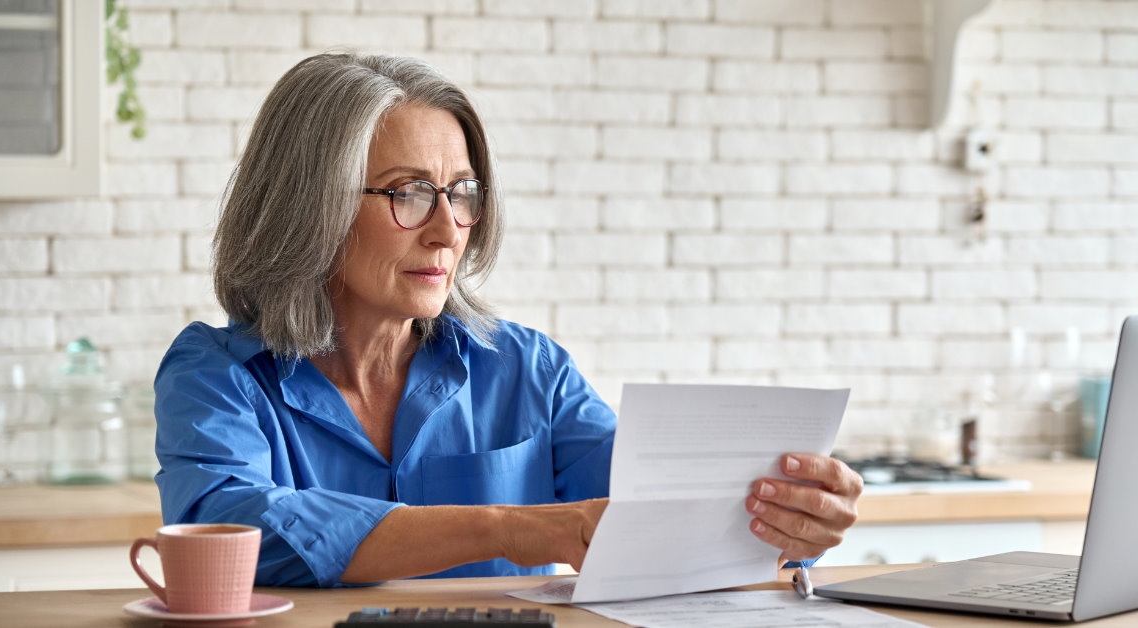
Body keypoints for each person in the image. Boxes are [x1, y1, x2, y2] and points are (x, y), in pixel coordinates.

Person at [153, 52, 863, 588]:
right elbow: (230, 531)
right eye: (409, 193)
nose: (447, 231)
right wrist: (510, 527)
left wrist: (794, 522)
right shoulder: (216, 376)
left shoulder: (531, 373)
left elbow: (661, 510)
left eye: (461, 193)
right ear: (310, 206)